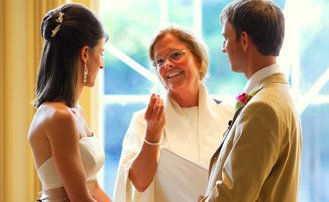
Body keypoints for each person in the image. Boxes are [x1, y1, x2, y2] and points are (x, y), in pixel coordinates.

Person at [113, 25, 234, 202]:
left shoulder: (229, 114)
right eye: (159, 62)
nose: (167, 65)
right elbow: (138, 183)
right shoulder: (143, 121)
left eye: (176, 55)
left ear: (198, 60)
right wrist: (152, 135)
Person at [200, 0, 302, 201]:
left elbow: (234, 195)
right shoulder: (278, 92)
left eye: (226, 39)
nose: (223, 48)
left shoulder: (263, 107)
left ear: (244, 40)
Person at [28, 3, 111, 202]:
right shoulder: (59, 117)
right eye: (100, 53)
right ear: (84, 54)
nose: (101, 64)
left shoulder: (74, 111)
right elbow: (80, 199)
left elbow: (93, 187)